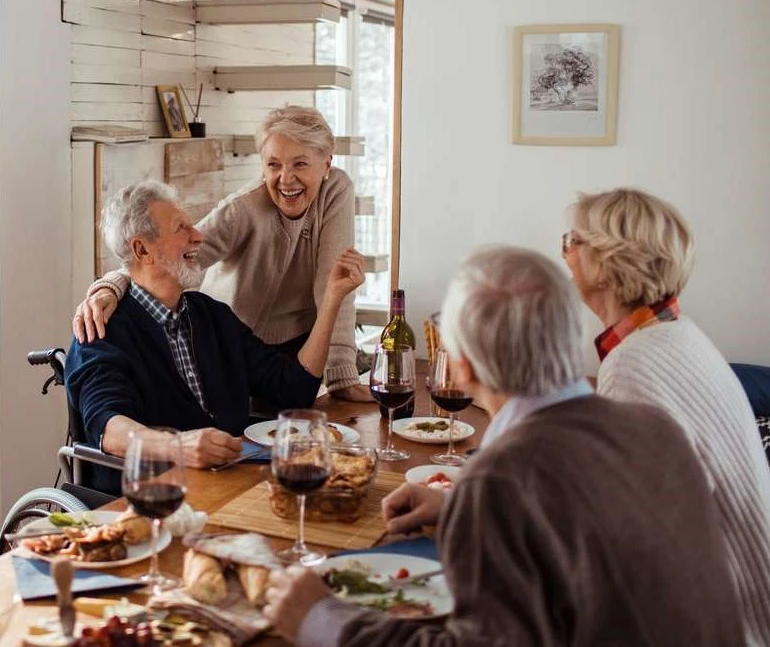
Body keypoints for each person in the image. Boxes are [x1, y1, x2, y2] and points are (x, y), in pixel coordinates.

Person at [262, 246, 742, 647]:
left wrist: (321, 618)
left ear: (462, 367)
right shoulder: (655, 427)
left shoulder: (501, 480)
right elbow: (582, 543)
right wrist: (458, 510)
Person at [562, 187, 770, 646]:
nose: (566, 254)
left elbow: (625, 538)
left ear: (605, 263)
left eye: (572, 241)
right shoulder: (674, 334)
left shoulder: (636, 359)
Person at [64, 181, 364, 494]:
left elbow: (294, 389)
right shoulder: (101, 329)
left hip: (231, 488)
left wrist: (332, 299)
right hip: (151, 500)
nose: (198, 235)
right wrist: (178, 446)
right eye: (181, 227)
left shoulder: (210, 315)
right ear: (142, 250)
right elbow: (109, 427)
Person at [73, 106, 370, 401]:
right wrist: (111, 285)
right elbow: (165, 256)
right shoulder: (243, 208)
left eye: (300, 164)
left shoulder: (336, 191)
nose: (285, 178)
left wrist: (342, 373)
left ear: (327, 164)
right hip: (240, 345)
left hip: (299, 349)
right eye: (273, 165)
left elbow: (333, 284)